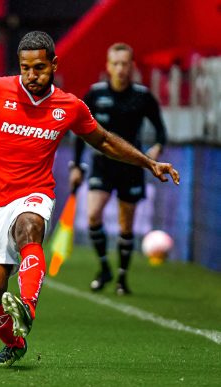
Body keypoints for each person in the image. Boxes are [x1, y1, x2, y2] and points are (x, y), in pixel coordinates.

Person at [0, 31, 179, 368]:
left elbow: (105, 141)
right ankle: (14, 342)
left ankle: (28, 307)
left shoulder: (69, 106)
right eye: (25, 68)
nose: (32, 76)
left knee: (29, 228)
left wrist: (148, 162)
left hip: (34, 192)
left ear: (54, 64)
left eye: (39, 68)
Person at [69, 43, 168, 296]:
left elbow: (160, 130)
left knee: (126, 225)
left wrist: (156, 148)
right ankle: (104, 268)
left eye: (125, 64)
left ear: (132, 67)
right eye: (116, 64)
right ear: (108, 66)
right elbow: (80, 130)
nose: (120, 69)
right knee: (93, 215)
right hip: (102, 164)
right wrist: (77, 166)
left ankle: (122, 278)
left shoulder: (142, 96)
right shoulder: (95, 93)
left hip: (131, 166)